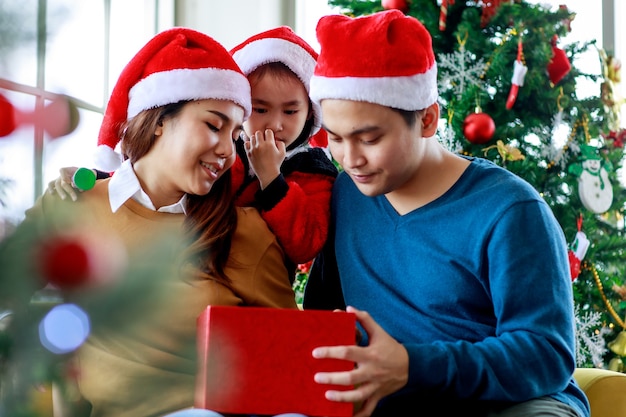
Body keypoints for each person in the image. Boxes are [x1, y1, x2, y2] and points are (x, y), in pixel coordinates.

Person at [303, 10, 590, 417]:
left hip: (512, 404)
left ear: (426, 118)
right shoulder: (346, 194)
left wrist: (412, 365)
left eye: (369, 138)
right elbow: (322, 322)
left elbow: (545, 354)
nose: (350, 159)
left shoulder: (510, 211)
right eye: (335, 138)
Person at [18, 27, 297, 417]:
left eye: (235, 135)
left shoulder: (241, 231)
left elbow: (296, 363)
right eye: (214, 126)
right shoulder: (72, 204)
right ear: (159, 119)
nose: (226, 151)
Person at [49, 26, 338, 277]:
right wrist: (96, 180)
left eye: (291, 111)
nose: (275, 124)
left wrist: (272, 180)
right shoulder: (225, 150)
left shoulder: (312, 167)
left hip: (254, 279)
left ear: (311, 112)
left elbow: (306, 244)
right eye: (260, 109)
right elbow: (154, 181)